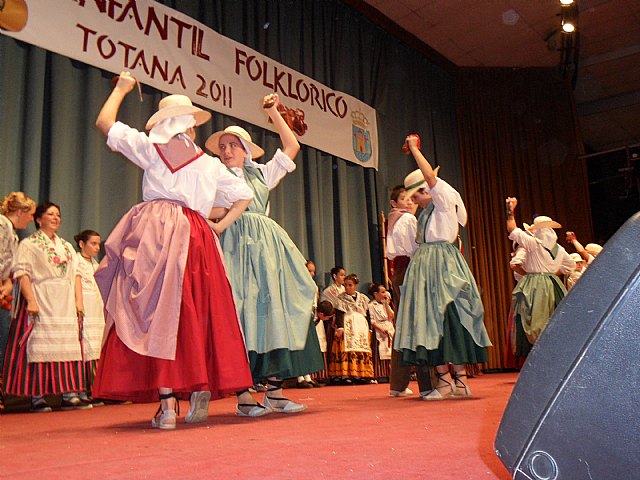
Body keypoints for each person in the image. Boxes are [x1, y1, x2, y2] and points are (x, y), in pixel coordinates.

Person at [91, 71, 254, 429]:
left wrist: (120, 88)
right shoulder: (210, 164)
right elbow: (244, 195)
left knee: (153, 312)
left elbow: (105, 122)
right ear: (192, 129)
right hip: (195, 235)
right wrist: (217, 222)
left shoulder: (152, 148)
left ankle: (167, 407)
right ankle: (194, 388)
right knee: (190, 316)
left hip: (155, 228)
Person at [205, 93, 323, 416]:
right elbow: (204, 208)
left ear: (246, 150)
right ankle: (244, 396)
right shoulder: (214, 176)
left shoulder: (261, 174)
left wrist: (273, 112)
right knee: (240, 312)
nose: (227, 151)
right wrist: (229, 210)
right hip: (234, 244)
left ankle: (274, 391)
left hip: (267, 248)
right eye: (223, 147)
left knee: (272, 311)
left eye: (233, 145)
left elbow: (292, 147)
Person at [395, 135, 491, 400]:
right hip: (426, 267)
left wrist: (414, 150)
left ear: (424, 191)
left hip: (442, 265)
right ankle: (447, 380)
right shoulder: (425, 213)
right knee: (430, 321)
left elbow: (431, 178)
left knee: (448, 317)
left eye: (416, 194)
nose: (414, 200)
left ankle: (457, 380)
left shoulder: (443, 201)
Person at [3, 202, 93, 412]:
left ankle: (68, 393)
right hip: (42, 297)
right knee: (40, 346)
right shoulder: (29, 244)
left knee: (66, 345)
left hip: (65, 300)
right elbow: (21, 272)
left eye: (58, 215)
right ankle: (38, 396)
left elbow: (76, 275)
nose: (55, 218)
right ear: (38, 219)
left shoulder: (67, 246)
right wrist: (31, 300)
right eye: (50, 214)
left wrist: (78, 302)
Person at [506, 197, 576, 358]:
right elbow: (570, 267)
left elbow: (512, 228)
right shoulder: (560, 249)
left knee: (534, 321)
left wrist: (510, 210)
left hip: (536, 286)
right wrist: (550, 273)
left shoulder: (533, 243)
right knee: (554, 321)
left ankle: (538, 357)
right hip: (553, 284)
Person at [385, 185, 432, 397]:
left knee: (403, 327)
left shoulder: (394, 219)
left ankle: (398, 384)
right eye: (405, 198)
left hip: (399, 271)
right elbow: (416, 248)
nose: (410, 202)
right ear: (395, 203)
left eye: (412, 198)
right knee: (417, 325)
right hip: (410, 271)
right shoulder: (408, 220)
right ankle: (427, 385)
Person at [0, 192, 35, 411]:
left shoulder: (10, 231)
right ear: (20, 211)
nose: (30, 219)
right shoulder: (2, 225)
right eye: (30, 214)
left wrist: (6, 283)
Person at [73, 230, 105, 405]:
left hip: (96, 310)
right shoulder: (76, 261)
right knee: (84, 349)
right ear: (81, 244)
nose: (96, 247)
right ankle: (83, 390)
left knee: (95, 348)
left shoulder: (95, 264)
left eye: (98, 244)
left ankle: (94, 390)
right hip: (84, 309)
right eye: (93, 243)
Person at [328, 274, 374, 384]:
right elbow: (339, 313)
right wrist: (340, 327)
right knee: (346, 349)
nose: (347, 288)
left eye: (350, 285)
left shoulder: (363, 298)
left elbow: (367, 314)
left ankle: (359, 374)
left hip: (361, 325)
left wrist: (370, 328)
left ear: (356, 285)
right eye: (345, 285)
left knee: (360, 348)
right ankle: (345, 375)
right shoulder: (341, 298)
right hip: (348, 324)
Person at [368, 283, 394, 383]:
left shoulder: (385, 304)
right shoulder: (371, 305)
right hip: (379, 329)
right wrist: (381, 329)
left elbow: (391, 316)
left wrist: (387, 304)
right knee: (380, 352)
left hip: (389, 327)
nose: (385, 294)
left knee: (391, 352)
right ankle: (381, 374)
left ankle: (390, 374)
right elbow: (372, 320)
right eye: (382, 292)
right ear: (376, 294)